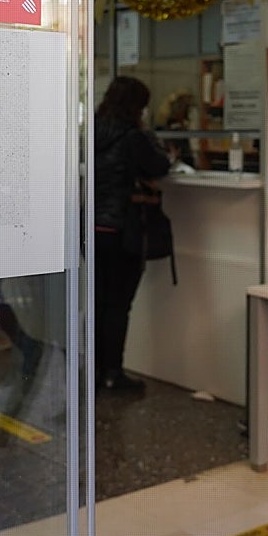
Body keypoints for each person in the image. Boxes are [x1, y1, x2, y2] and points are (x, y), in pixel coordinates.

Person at [94, 76, 172, 393]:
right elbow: (159, 167)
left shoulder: (93, 131)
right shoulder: (133, 137)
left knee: (98, 302)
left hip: (93, 228)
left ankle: (94, 372)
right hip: (123, 230)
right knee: (118, 305)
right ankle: (113, 372)